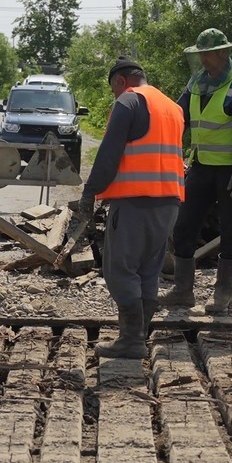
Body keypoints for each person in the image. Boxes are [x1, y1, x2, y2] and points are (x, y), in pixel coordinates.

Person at [78, 57, 185, 359]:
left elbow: (109, 154)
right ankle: (137, 337)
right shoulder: (172, 107)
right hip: (169, 203)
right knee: (148, 271)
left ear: (121, 81)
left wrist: (90, 193)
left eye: (113, 88)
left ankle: (131, 340)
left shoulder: (129, 102)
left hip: (135, 203)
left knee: (120, 269)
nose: (115, 95)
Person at [159, 28, 232, 312]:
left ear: (223, 53)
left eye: (207, 53)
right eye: (200, 54)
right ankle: (182, 291)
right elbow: (179, 117)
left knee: (230, 233)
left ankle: (223, 295)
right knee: (184, 226)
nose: (203, 59)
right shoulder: (196, 82)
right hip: (201, 167)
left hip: (229, 172)